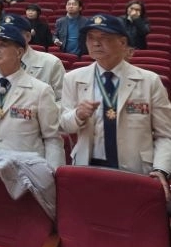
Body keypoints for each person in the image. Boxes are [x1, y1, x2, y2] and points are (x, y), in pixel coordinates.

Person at [60, 15, 171, 198]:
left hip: (136, 170)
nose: (96, 43)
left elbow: (165, 134)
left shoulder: (149, 81)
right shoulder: (73, 78)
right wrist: (77, 115)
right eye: (91, 38)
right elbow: (64, 125)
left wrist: (161, 169)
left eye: (104, 37)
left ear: (122, 42)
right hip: (88, 166)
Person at [0, 24, 64, 169]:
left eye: (3, 45)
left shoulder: (41, 90)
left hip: (25, 171)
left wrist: (52, 175)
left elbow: (52, 139)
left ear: (19, 52)